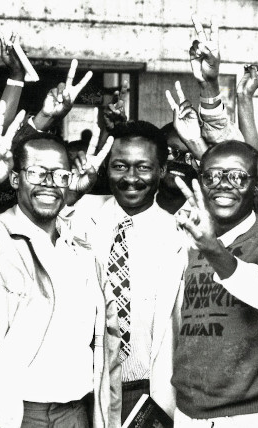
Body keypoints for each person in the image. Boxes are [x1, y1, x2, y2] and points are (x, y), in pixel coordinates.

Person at [0, 109, 121, 428]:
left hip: (77, 413)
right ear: (14, 178)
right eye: (37, 173)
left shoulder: (82, 246)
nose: (49, 184)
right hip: (15, 415)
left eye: (59, 175)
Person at [65, 120, 185, 423]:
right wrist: (68, 199)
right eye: (120, 166)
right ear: (106, 169)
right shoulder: (78, 218)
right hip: (87, 388)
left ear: (161, 170)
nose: (131, 178)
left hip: (150, 390)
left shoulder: (180, 234)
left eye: (143, 168)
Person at [171, 139, 258, 428]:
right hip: (189, 413)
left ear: (255, 187)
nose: (223, 184)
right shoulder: (186, 239)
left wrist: (212, 248)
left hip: (252, 415)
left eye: (238, 176)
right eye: (212, 176)